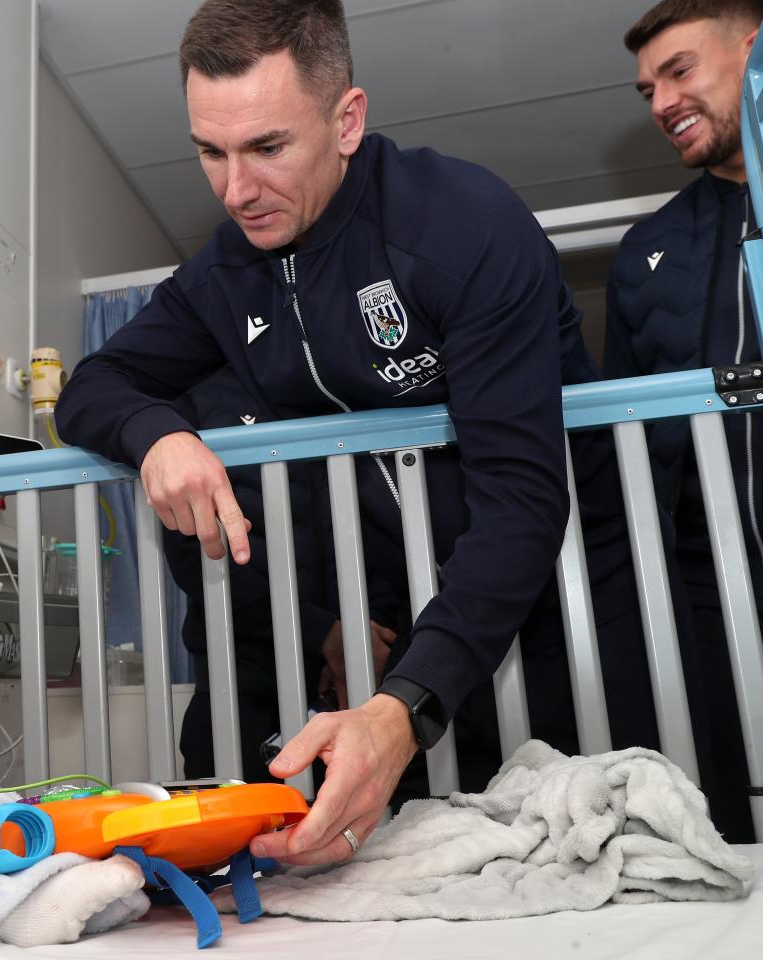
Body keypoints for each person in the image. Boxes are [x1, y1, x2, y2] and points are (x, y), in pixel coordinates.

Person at [56, 0, 696, 864]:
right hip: (408, 622)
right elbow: (92, 384)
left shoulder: (462, 224)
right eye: (211, 151)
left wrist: (407, 707)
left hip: (565, 599)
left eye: (268, 147)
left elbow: (521, 496)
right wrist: (155, 433)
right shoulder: (226, 271)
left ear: (347, 120)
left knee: (619, 847)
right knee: (437, 861)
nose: (235, 189)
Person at [605, 0, 762, 841]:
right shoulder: (646, 251)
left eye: (680, 70)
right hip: (702, 598)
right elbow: (613, 440)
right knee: (726, 832)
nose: (661, 100)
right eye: (646, 89)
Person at [158, 367, 398, 785]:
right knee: (231, 836)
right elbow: (195, 557)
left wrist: (362, 631)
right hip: (243, 676)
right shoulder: (191, 403)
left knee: (380, 835)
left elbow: (384, 523)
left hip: (365, 672)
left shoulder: (336, 379)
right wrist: (323, 633)